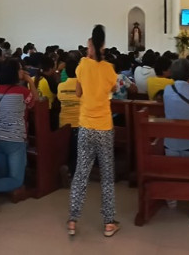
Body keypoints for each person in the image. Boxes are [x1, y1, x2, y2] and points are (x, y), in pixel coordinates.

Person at [67, 25, 121, 237]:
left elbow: (78, 92)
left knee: (81, 173)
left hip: (85, 126)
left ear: (90, 47)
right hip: (104, 127)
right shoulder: (109, 68)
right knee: (107, 175)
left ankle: (72, 220)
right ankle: (108, 223)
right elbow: (114, 89)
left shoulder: (82, 65)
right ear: (103, 46)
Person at [0, 59, 38, 196]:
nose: (22, 71)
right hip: (15, 140)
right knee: (16, 180)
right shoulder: (22, 92)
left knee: (3, 173)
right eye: (20, 69)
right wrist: (29, 80)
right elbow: (35, 100)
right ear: (14, 73)